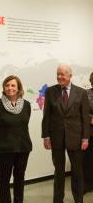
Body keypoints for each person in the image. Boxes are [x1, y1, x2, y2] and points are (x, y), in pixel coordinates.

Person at [42, 65, 90, 203]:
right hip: (56, 137)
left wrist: (85, 138)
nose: (59, 77)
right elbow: (47, 116)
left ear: (70, 75)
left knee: (77, 172)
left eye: (62, 74)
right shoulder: (50, 91)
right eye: (58, 74)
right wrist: (46, 136)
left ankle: (78, 200)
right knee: (58, 172)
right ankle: (58, 200)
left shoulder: (81, 92)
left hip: (76, 138)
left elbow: (85, 118)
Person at [0, 75, 32, 203]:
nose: (10, 88)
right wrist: (4, 138)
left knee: (20, 177)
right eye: (7, 85)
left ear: (18, 88)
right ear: (3, 88)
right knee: (4, 179)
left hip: (23, 148)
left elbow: (24, 125)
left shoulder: (27, 105)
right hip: (3, 149)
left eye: (13, 85)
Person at [83, 72, 93, 194]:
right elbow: (82, 111)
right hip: (89, 132)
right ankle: (88, 184)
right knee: (88, 160)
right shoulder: (86, 94)